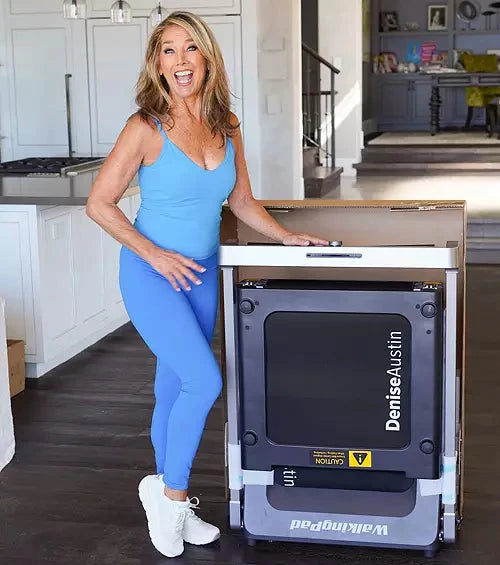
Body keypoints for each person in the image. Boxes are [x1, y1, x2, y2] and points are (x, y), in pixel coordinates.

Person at [86, 10, 329, 560]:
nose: (180, 62)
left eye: (189, 49)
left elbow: (240, 201)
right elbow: (99, 203)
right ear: (157, 62)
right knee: (205, 382)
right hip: (152, 274)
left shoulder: (227, 125)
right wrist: (155, 254)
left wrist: (284, 236)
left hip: (200, 276)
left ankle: (165, 492)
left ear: (207, 57)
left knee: (173, 386)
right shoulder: (144, 126)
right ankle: (170, 499)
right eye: (168, 51)